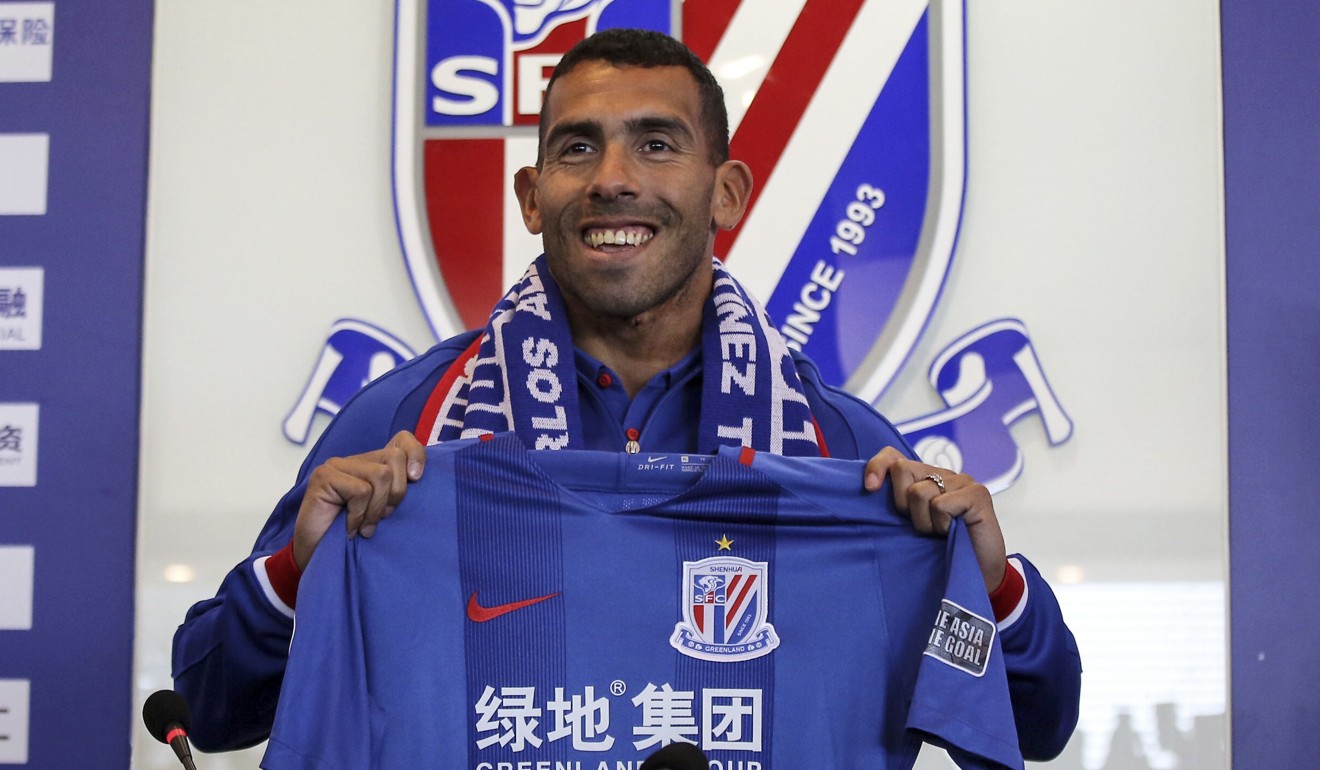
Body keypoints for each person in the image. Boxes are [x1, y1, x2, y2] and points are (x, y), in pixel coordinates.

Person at [172, 28, 1080, 759]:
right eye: (578, 148)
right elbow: (212, 708)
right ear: (532, 197)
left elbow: (1036, 727)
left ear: (725, 193)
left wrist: (991, 585)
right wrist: (300, 570)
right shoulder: (406, 423)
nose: (613, 178)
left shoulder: (846, 452)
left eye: (656, 143)